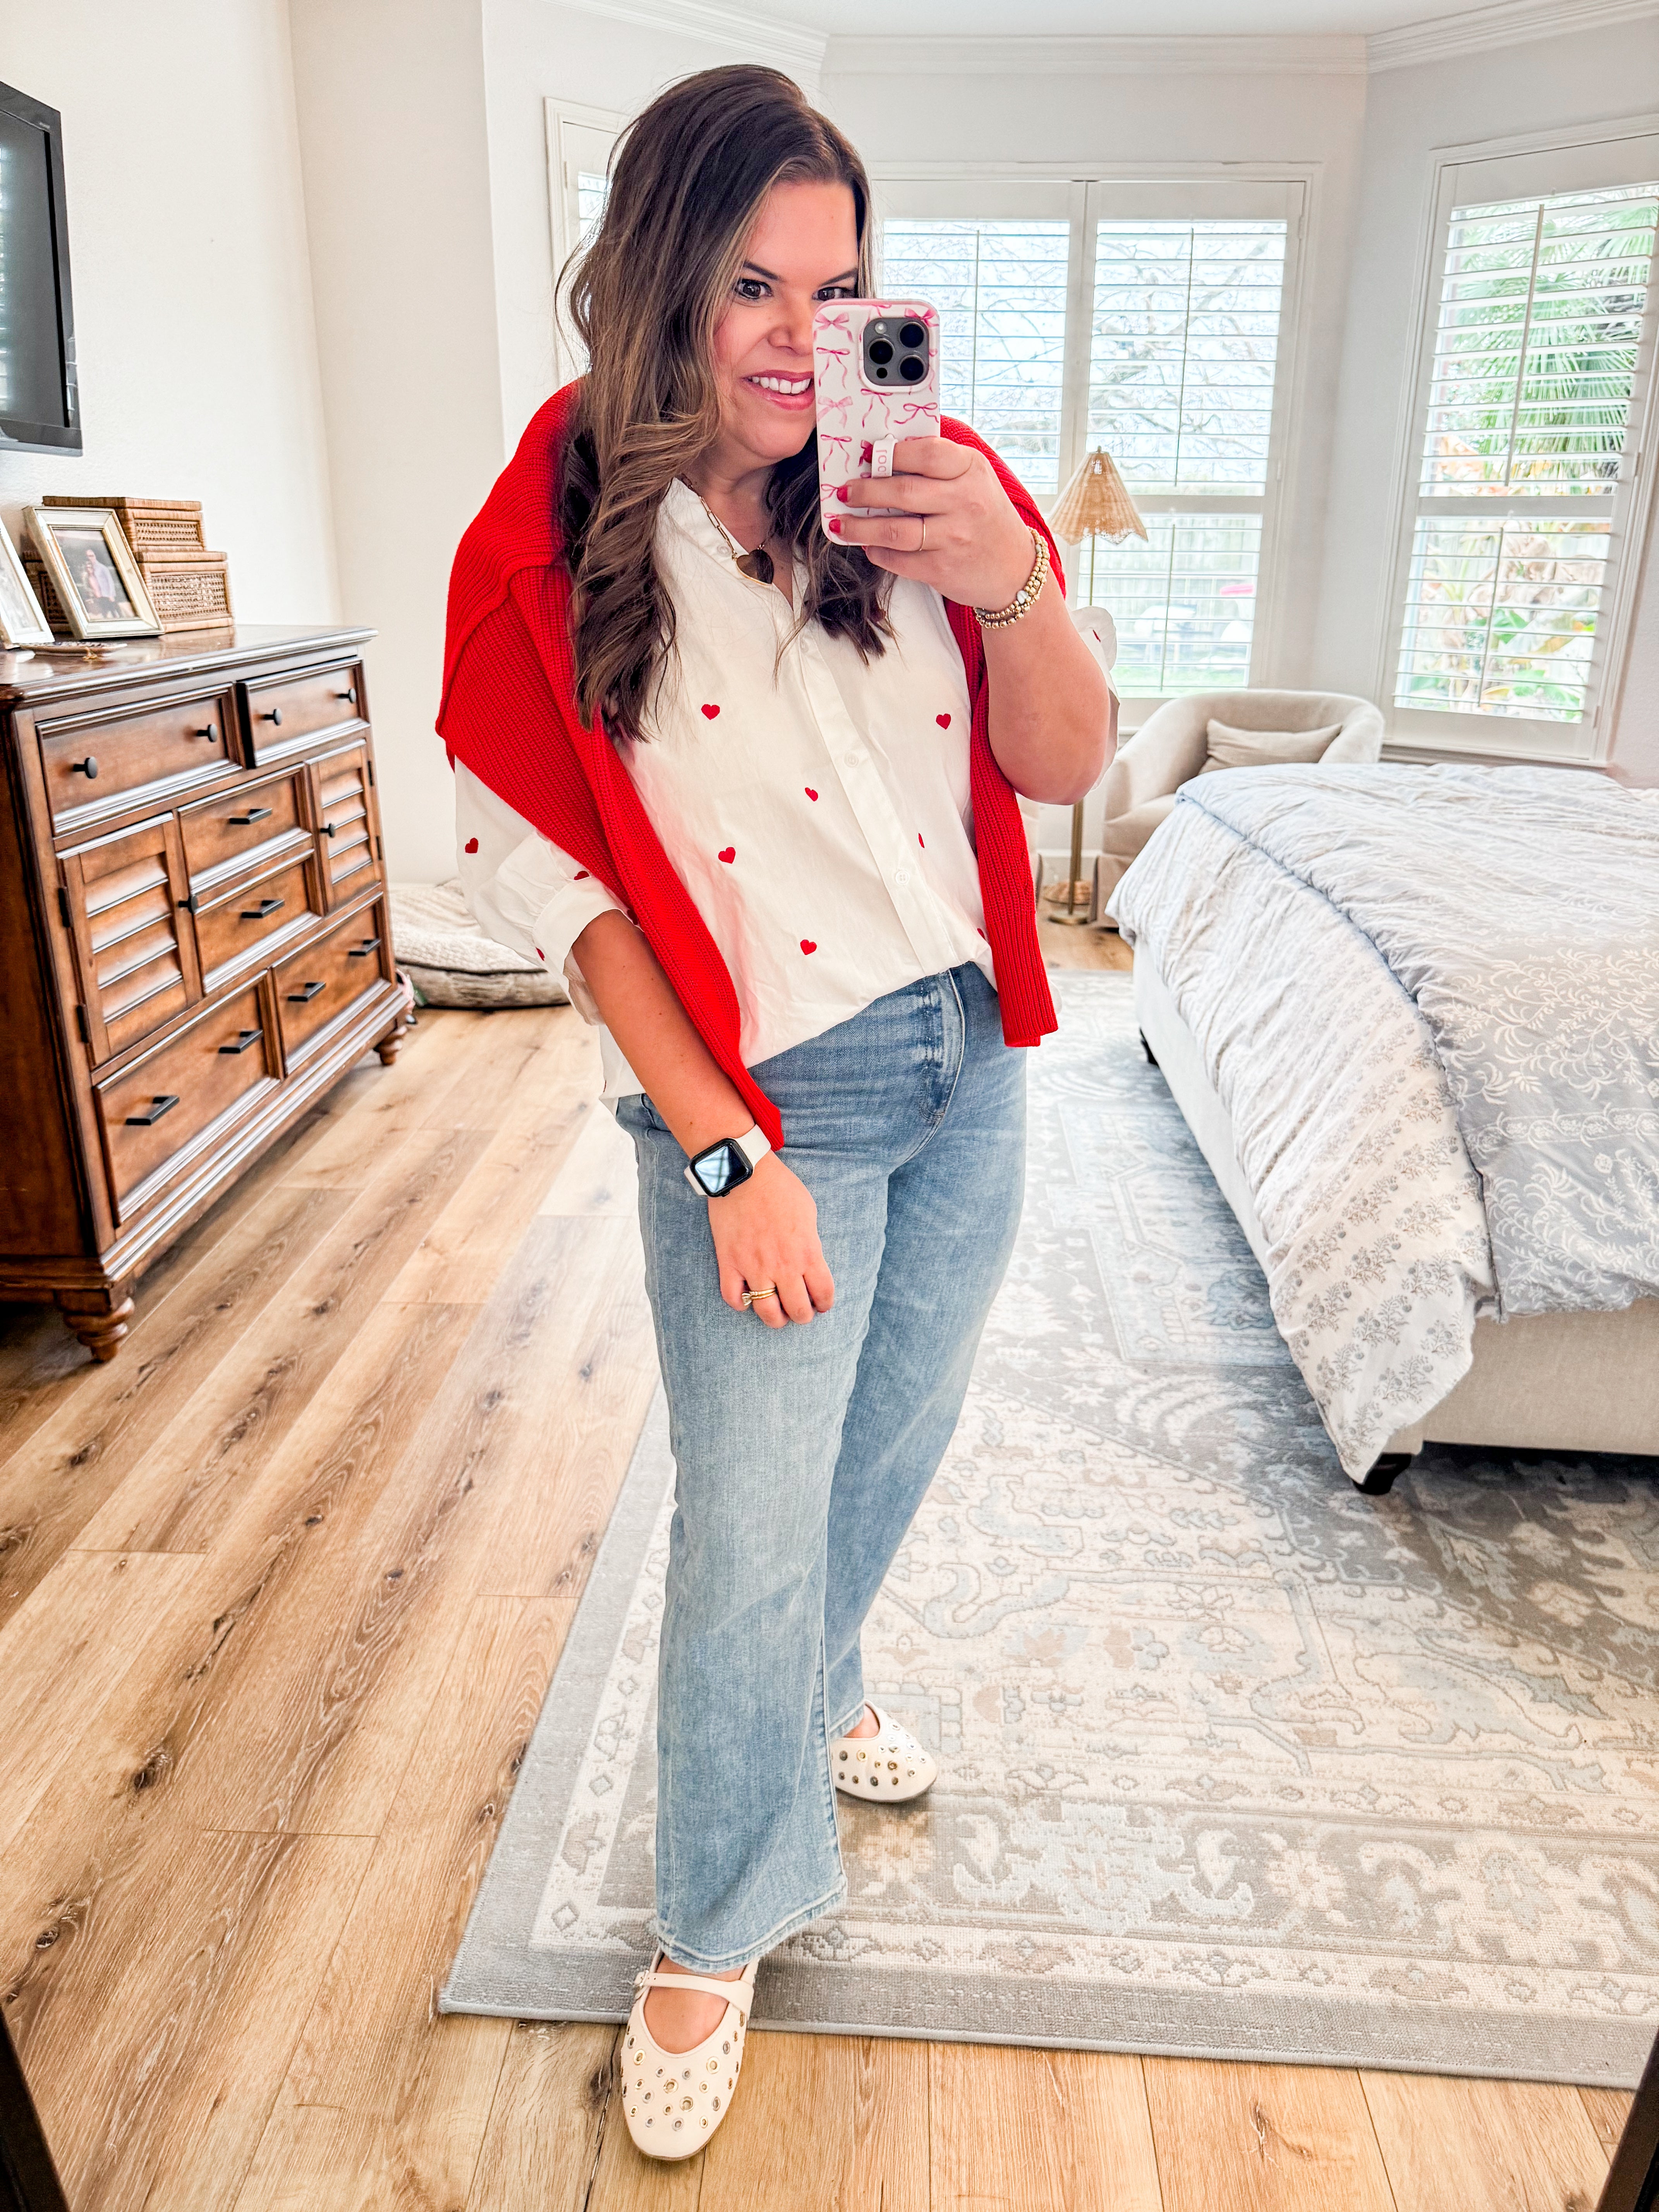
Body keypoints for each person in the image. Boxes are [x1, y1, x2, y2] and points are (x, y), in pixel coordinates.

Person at [440, 64, 1110, 2159]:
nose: (797, 336)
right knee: (744, 1525)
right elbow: (563, 899)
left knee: (885, 1454)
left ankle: (809, 1700)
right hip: (768, 1086)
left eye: (835, 287)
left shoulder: (926, 478)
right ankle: (714, 1921)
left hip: (964, 1058)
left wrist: (1015, 580)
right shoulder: (547, 532)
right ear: (661, 276)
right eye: (750, 281)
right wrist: (726, 1149)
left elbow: (1070, 767)